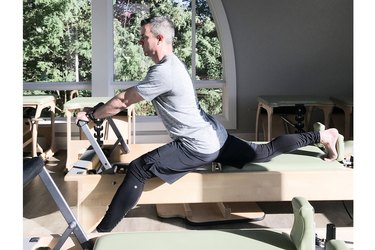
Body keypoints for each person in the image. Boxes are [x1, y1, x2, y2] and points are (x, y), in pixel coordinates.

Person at [76, 16, 340, 232]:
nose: (140, 41)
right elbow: (124, 99)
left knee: (138, 169)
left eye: (143, 37)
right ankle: (323, 136)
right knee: (264, 152)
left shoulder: (164, 71)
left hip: (198, 146)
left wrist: (93, 114)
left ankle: (101, 232)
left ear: (159, 38)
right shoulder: (172, 64)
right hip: (215, 135)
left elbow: (123, 101)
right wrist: (98, 111)